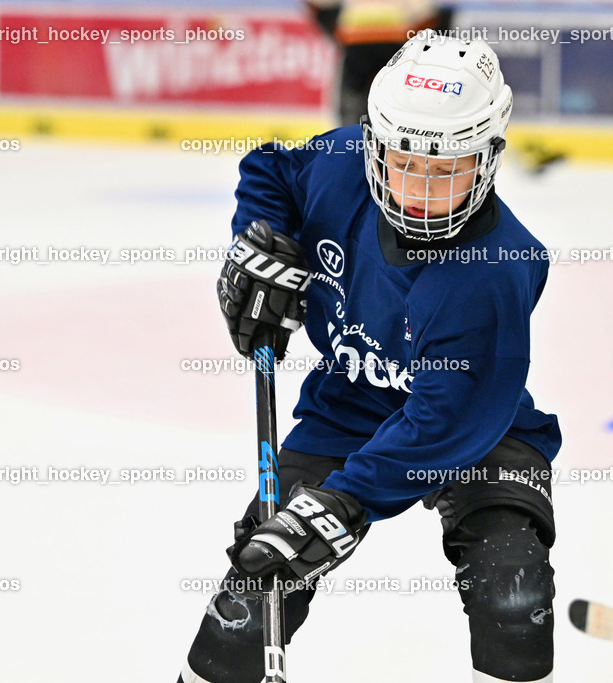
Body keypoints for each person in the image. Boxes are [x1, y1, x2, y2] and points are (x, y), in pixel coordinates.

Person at [179, 31, 561, 683]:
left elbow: (443, 425)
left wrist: (347, 502)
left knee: (513, 595)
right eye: (404, 161)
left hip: (476, 426)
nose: (419, 190)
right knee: (252, 595)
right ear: (373, 144)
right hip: (350, 405)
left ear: (489, 157)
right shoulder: (340, 166)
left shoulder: (495, 270)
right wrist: (258, 243)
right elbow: (269, 170)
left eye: (447, 170)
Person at [305, 0, 453, 125]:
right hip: (397, 38)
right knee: (400, 100)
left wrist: (338, 30)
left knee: (352, 102)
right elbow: (427, 13)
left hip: (357, 37)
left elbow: (318, 4)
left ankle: (352, 145)